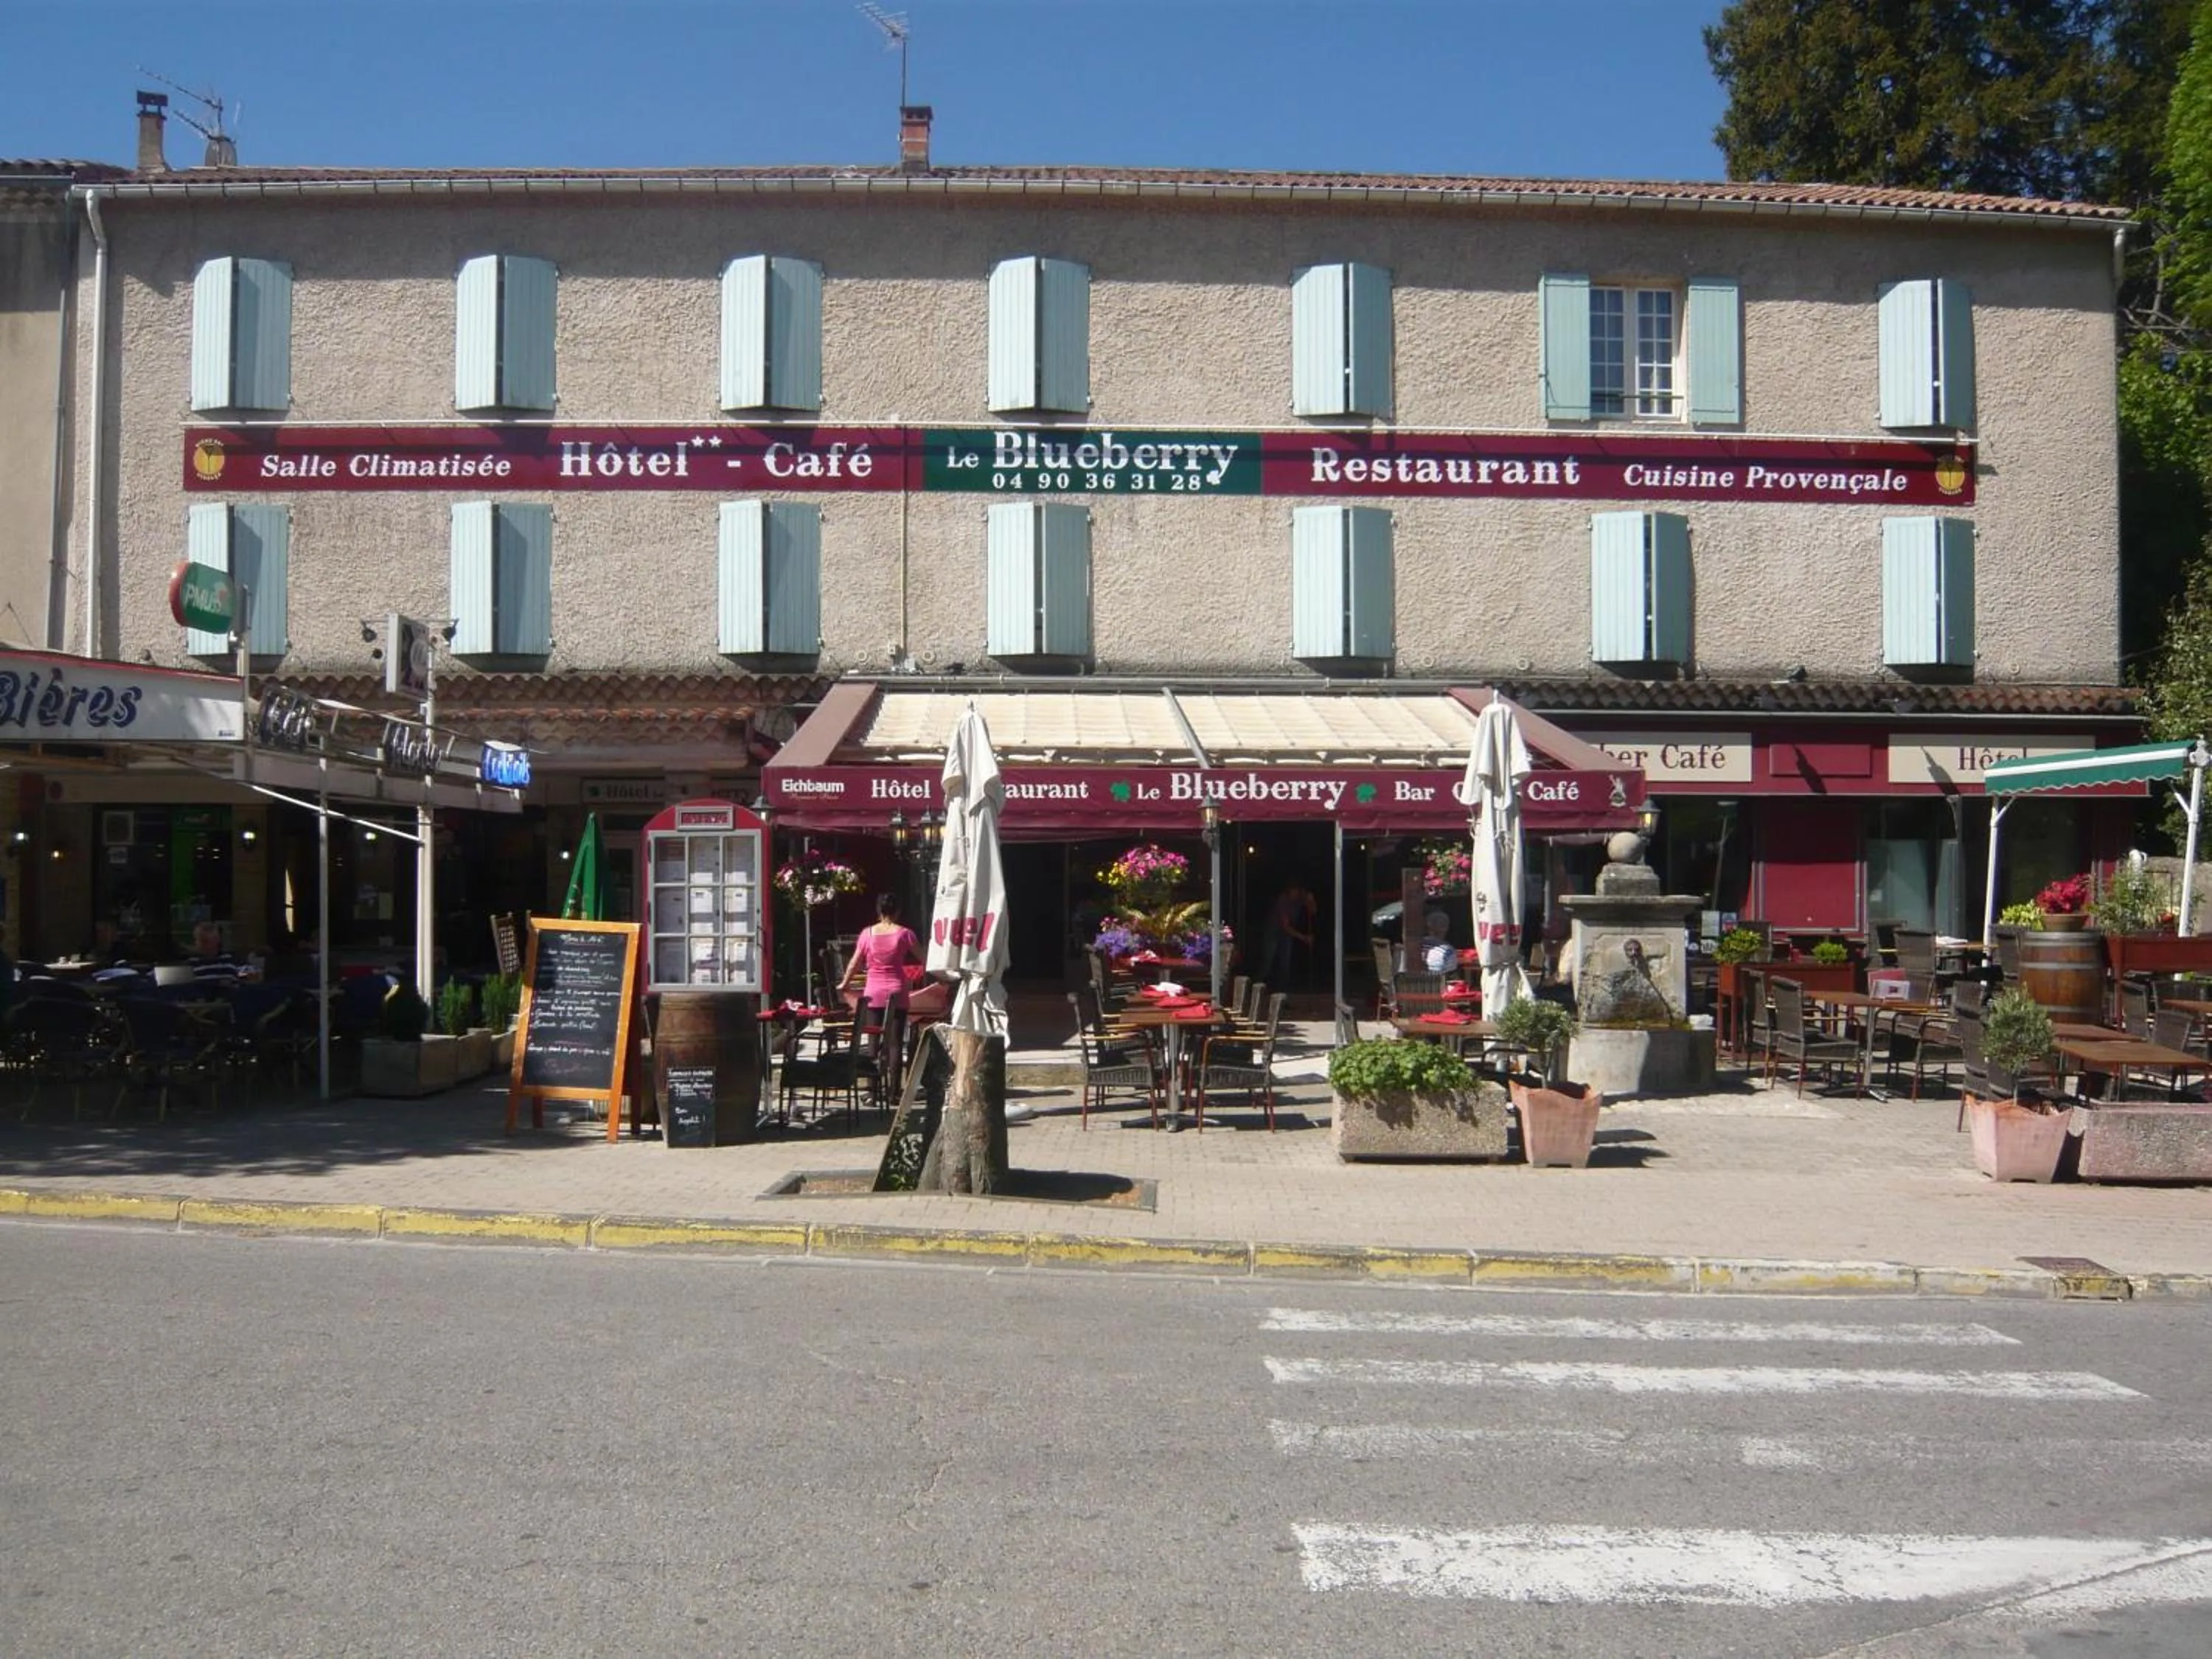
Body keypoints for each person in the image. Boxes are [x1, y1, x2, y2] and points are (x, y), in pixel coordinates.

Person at [841, 892, 925, 1094]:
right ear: (898, 911)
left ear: (878, 910)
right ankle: (895, 1090)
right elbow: (924, 958)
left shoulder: (867, 934)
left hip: (873, 992)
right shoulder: (905, 934)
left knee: (873, 1040)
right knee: (895, 1043)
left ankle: (872, 1089)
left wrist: (845, 984)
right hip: (897, 992)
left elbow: (854, 962)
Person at [1262, 880, 1315, 988]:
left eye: (1297, 892)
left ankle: (1282, 990)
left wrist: (1311, 901)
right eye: (1293, 892)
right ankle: (1258, 986)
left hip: (1286, 935)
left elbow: (1313, 911)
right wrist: (1304, 938)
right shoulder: (1283, 900)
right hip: (1274, 931)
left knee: (1285, 964)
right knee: (1267, 961)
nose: (1295, 895)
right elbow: (1285, 927)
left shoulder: (1302, 897)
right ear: (1288, 891)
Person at [1420, 907, 1457, 973]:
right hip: (1438, 979)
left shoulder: (1416, 945)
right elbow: (1450, 973)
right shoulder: (1448, 951)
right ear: (1447, 928)